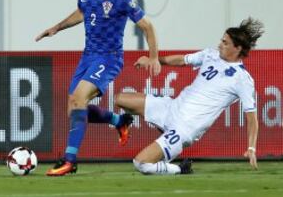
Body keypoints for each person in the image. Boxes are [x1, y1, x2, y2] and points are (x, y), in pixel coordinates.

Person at [35, 0, 161, 176]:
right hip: (88, 56)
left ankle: (69, 160)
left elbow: (147, 26)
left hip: (109, 57)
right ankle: (119, 120)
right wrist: (57, 27)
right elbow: (83, 12)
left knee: (78, 99)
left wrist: (153, 57)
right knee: (74, 108)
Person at [113, 17, 264, 175]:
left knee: (141, 163)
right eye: (222, 40)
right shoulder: (210, 54)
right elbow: (182, 60)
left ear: (238, 48)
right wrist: (155, 60)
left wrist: (251, 148)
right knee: (120, 99)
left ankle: (180, 168)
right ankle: (123, 124)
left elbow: (252, 118)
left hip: (184, 129)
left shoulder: (243, 79)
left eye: (225, 43)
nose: (220, 44)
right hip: (170, 108)